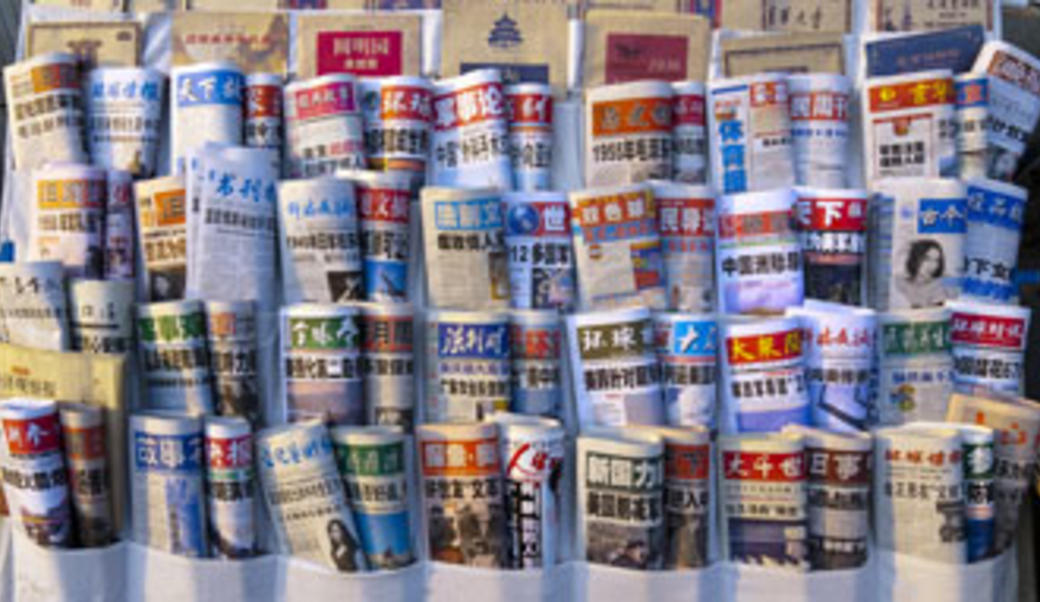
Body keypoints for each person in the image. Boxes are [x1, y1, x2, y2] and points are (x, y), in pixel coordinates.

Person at [895, 239, 948, 308]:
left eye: (936, 260)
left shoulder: (938, 287)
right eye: (927, 259)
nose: (932, 265)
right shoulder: (900, 282)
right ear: (916, 258)